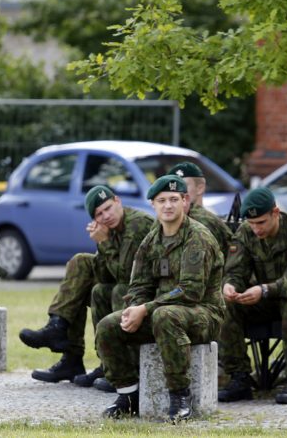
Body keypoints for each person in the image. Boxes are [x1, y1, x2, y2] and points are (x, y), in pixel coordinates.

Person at [95, 175, 223, 422]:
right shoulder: (151, 241)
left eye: (174, 199)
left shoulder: (197, 237)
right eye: (162, 200)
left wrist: (146, 307)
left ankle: (180, 395)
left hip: (203, 314)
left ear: (185, 201)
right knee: (109, 326)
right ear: (153, 205)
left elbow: (190, 291)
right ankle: (129, 395)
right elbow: (140, 285)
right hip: (162, 314)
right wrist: (134, 308)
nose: (168, 206)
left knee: (166, 316)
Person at [19, 185, 153, 389]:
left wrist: (104, 242)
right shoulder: (111, 229)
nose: (106, 216)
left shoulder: (136, 224)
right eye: (99, 214)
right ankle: (61, 332)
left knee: (119, 290)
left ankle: (123, 367)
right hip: (127, 284)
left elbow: (127, 277)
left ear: (118, 201)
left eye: (108, 208)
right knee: (81, 264)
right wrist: (103, 243)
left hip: (151, 290)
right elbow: (104, 275)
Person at [217, 187, 287, 405]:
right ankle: (239, 377)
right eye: (252, 223)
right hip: (266, 298)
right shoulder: (245, 232)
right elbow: (236, 271)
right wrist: (230, 286)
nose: (256, 229)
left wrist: (265, 290)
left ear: (275, 213)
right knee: (225, 304)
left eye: (261, 223)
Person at [167, 161, 232, 252]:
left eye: (183, 186)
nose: (178, 192)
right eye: (173, 187)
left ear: (199, 188)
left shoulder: (206, 222)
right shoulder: (167, 218)